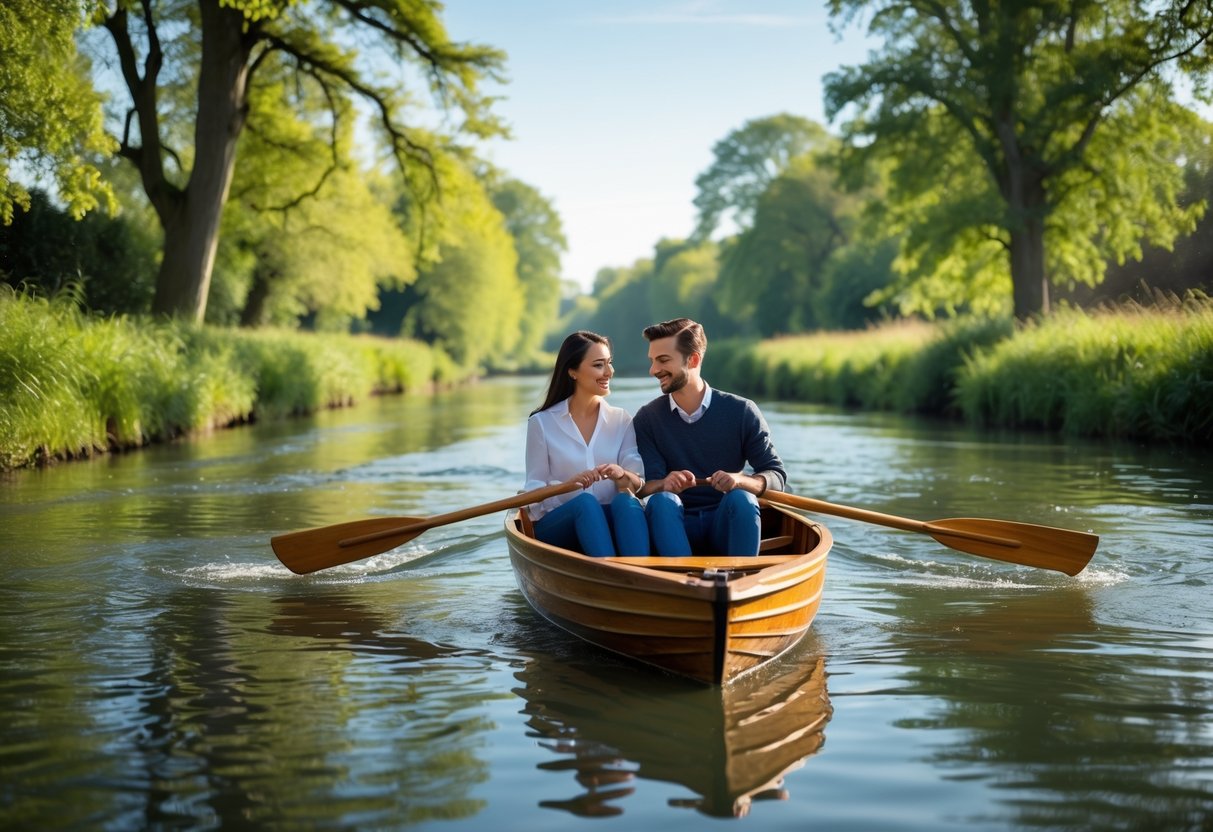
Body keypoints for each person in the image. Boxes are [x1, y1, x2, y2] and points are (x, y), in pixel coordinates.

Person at [633, 318, 786, 556]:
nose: (654, 370)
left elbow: (776, 475)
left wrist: (740, 480)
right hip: (675, 524)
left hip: (726, 523)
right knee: (662, 501)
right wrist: (665, 483)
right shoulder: (647, 418)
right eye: (652, 361)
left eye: (663, 360)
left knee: (743, 498)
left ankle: (741, 582)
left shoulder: (742, 411)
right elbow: (646, 487)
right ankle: (681, 583)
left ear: (693, 359)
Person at [523, 331, 649, 557]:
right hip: (560, 523)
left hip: (611, 518)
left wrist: (621, 475)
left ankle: (641, 575)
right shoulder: (541, 423)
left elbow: (639, 484)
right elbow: (533, 491)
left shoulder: (622, 420)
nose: (609, 372)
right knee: (586, 504)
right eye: (599, 365)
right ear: (573, 372)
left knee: (627, 504)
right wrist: (567, 487)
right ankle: (609, 574)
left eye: (609, 363)